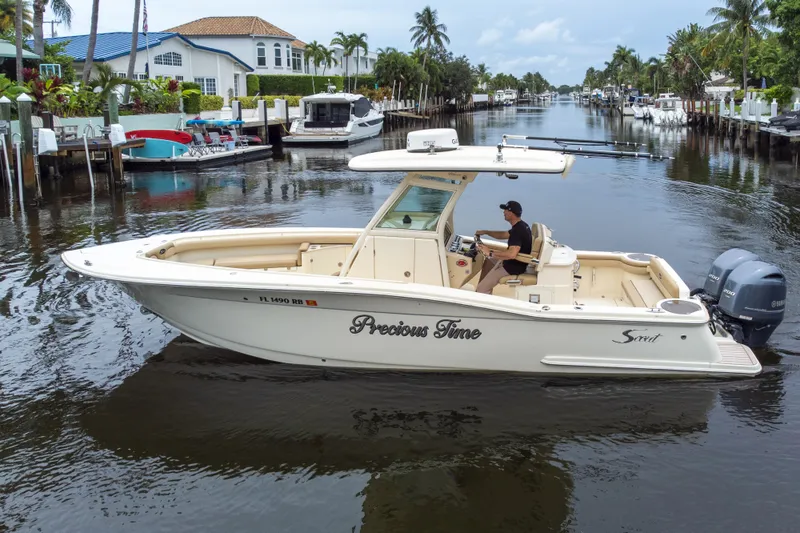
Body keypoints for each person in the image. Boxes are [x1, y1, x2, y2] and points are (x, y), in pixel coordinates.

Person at [475, 201, 533, 294]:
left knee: (481, 288)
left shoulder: (517, 231)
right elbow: (503, 235)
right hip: (514, 263)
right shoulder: (521, 226)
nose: (503, 212)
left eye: (505, 210)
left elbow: (512, 254)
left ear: (511, 213)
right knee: (489, 262)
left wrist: (489, 252)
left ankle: (482, 292)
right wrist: (486, 232)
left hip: (512, 267)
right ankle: (485, 285)